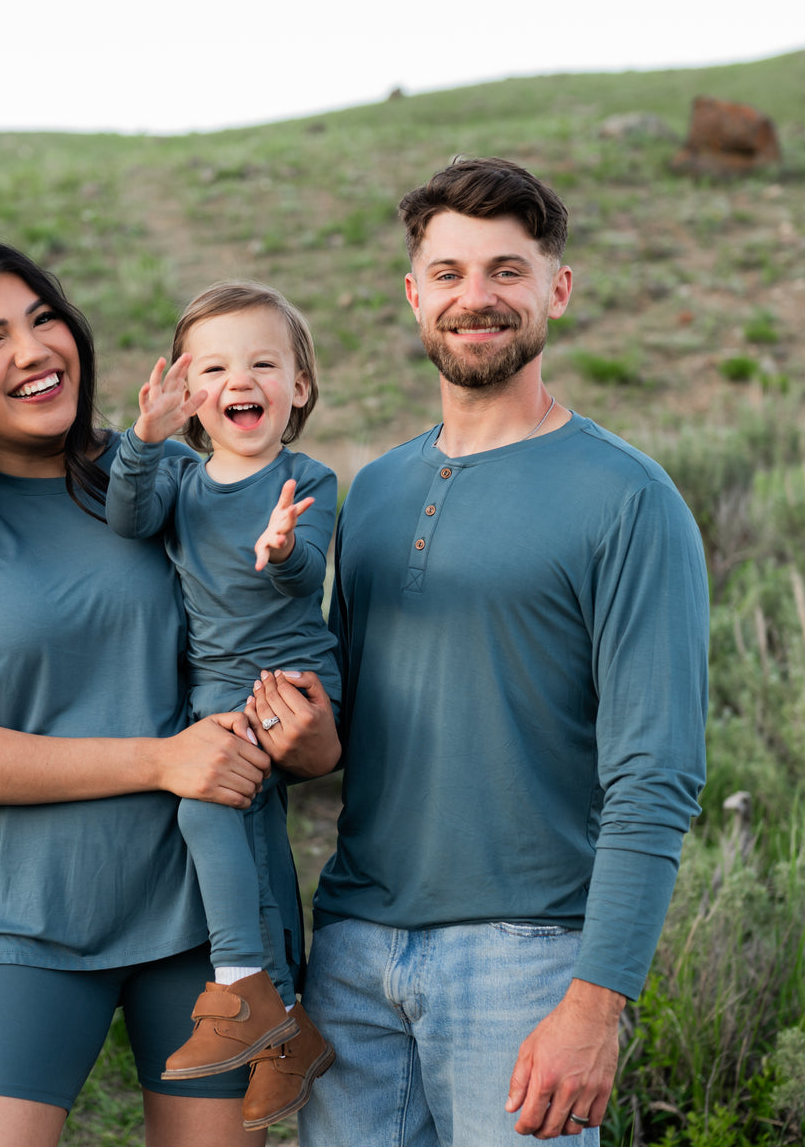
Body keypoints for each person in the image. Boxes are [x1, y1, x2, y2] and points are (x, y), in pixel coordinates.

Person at [0, 240, 339, 1147]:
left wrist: (311, 741)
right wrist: (163, 758)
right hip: (13, 915)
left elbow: (269, 640)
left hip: (205, 914)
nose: (32, 350)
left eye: (43, 319)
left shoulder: (171, 478)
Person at [296, 158, 709, 1145]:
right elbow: (345, 741)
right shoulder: (378, 491)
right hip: (351, 952)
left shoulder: (628, 500)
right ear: (414, 296)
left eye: (506, 271)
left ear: (556, 288)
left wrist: (595, 1003)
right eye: (448, 274)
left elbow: (657, 774)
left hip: (527, 963)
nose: (475, 299)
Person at [105, 281, 339, 1131]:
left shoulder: (306, 474)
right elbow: (128, 521)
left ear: (299, 388)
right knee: (252, 843)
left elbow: (307, 568)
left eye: (263, 363)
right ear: (191, 393)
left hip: (290, 685)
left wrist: (279, 550)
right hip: (215, 693)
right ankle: (288, 1033)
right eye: (215, 367)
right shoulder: (178, 477)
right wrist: (142, 439)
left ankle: (240, 984)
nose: (240, 379)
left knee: (206, 810)